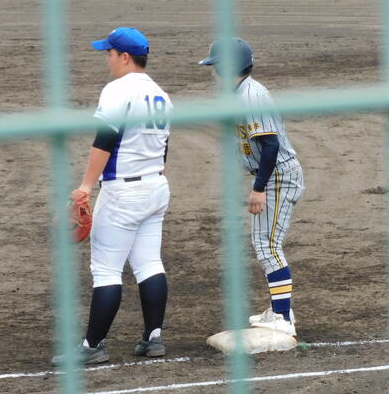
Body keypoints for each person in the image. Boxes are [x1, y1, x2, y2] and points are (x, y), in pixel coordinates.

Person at [52, 27, 172, 366]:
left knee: (105, 269)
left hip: (122, 192)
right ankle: (153, 338)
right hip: (156, 186)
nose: (107, 59)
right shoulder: (161, 95)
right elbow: (164, 150)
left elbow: (104, 141)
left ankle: (93, 346)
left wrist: (85, 187)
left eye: (109, 53)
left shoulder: (118, 90)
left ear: (125, 57)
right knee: (149, 262)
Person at [198, 38, 304, 336]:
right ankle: (281, 310)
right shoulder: (238, 94)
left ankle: (282, 317)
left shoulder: (251, 95)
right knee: (264, 244)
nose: (213, 72)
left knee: (268, 246)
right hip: (271, 175)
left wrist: (259, 189)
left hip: (278, 176)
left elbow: (270, 145)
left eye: (216, 66)